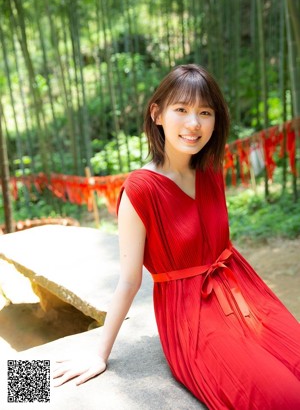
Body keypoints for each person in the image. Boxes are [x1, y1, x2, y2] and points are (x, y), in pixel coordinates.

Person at [53, 64, 300, 409]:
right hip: (190, 316)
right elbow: (129, 280)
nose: (193, 123)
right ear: (157, 114)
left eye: (204, 112)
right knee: (283, 396)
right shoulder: (140, 190)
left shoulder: (210, 169)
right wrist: (99, 354)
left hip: (242, 293)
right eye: (181, 110)